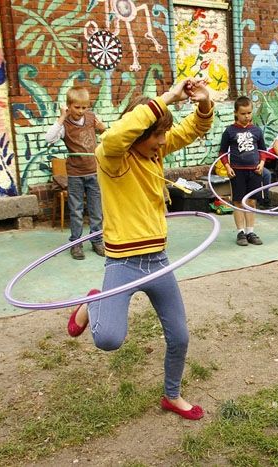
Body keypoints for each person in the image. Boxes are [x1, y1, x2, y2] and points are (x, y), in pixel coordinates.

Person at [66, 78, 214, 421]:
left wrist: (204, 102)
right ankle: (92, 302)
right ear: (139, 132)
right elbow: (113, 136)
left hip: (158, 262)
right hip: (123, 262)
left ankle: (172, 396)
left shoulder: (155, 151)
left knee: (180, 337)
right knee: (108, 340)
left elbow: (194, 128)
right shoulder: (112, 158)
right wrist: (168, 97)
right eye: (156, 134)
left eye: (164, 135)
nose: (162, 142)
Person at [45, 86, 107, 260]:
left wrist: (103, 128)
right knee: (76, 211)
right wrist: (62, 117)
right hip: (75, 174)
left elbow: (108, 136)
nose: (80, 111)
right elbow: (49, 138)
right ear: (68, 106)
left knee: (96, 210)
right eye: (76, 107)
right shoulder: (65, 124)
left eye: (84, 107)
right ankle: (76, 244)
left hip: (94, 172)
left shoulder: (92, 118)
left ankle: (97, 241)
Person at [220, 96, 267, 246]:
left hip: (254, 171)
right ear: (236, 113)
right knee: (238, 202)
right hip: (237, 171)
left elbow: (263, 151)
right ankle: (240, 232)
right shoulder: (229, 131)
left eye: (249, 113)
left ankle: (250, 231)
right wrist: (227, 167)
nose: (247, 116)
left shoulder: (256, 130)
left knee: (251, 201)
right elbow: (222, 152)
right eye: (243, 113)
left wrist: (262, 163)